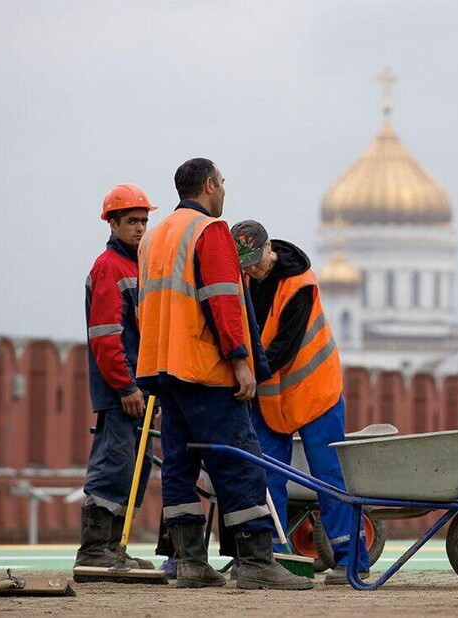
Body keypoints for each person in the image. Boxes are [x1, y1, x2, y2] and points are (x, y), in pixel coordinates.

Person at [136, 158, 311, 591]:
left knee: (179, 465)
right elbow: (223, 300)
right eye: (223, 183)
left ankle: (191, 562)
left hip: (161, 368)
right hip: (203, 369)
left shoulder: (154, 237)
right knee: (238, 460)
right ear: (210, 185)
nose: (225, 191)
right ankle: (255, 561)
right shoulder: (209, 231)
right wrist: (240, 360)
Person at [231, 220, 370, 585]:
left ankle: (351, 561)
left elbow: (283, 347)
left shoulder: (300, 284)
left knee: (328, 475)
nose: (251, 269)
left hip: (315, 390)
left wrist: (244, 374)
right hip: (272, 395)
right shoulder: (244, 279)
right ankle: (273, 559)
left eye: (255, 261)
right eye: (243, 264)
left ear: (268, 249)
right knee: (265, 475)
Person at [76, 183, 158, 573]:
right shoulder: (109, 267)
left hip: (139, 389)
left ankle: (114, 550)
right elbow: (106, 336)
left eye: (144, 221)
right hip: (121, 391)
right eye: (132, 221)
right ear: (113, 223)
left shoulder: (137, 266)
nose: (140, 228)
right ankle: (95, 550)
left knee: (135, 468)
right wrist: (125, 386)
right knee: (114, 464)